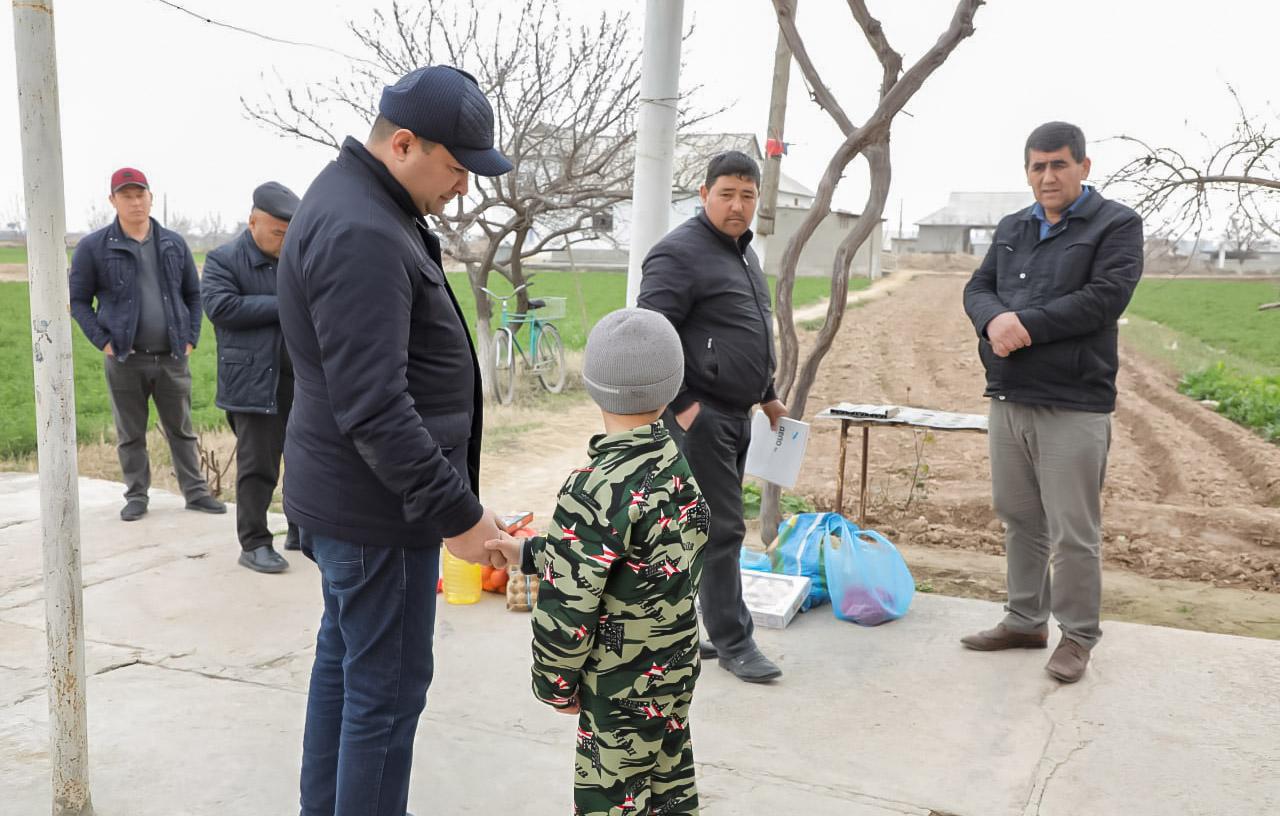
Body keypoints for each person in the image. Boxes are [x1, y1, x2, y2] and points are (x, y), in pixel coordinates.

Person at [277, 65, 513, 815]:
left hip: (352, 498)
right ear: (405, 144)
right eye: (456, 169)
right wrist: (461, 517)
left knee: (347, 671)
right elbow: (375, 407)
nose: (463, 189)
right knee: (385, 695)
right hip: (377, 511)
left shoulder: (364, 202)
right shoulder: (363, 230)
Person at [487, 308, 709, 816]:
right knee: (669, 790)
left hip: (618, 685)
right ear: (672, 386)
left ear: (591, 385)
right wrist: (527, 552)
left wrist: (555, 684)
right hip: (673, 671)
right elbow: (637, 562)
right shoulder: (674, 465)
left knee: (615, 802)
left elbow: (570, 607)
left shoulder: (594, 486)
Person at [961, 121, 1143, 683]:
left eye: (1059, 164)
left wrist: (1026, 325)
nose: (1048, 176)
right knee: (1019, 517)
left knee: (1073, 530)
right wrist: (993, 319)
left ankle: (1078, 637)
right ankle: (1024, 619)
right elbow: (977, 287)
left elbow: (1104, 299)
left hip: (1073, 402)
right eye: (1038, 166)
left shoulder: (1116, 224)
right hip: (1010, 395)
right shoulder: (1014, 225)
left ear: (1084, 167)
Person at [637, 150, 787, 684]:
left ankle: (680, 631)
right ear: (703, 195)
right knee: (721, 529)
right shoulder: (680, 253)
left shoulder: (743, 253)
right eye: (727, 193)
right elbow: (650, 335)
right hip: (699, 417)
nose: (738, 205)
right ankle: (734, 642)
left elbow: (744, 332)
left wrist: (767, 393)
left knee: (696, 530)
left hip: (739, 414)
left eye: (748, 195)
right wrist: (683, 405)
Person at [68, 167, 226, 521]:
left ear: (150, 197)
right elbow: (78, 300)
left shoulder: (172, 242)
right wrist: (103, 342)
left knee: (182, 430)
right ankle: (137, 495)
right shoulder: (94, 247)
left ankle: (196, 493)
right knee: (130, 433)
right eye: (127, 195)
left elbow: (193, 294)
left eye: (141, 194)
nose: (136, 201)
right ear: (113, 201)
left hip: (172, 356)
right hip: (125, 357)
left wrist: (190, 338)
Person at [202, 181, 302, 574]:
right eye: (278, 232)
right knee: (258, 466)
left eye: (288, 233)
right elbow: (222, 306)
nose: (284, 240)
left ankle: (300, 529)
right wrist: (286, 305)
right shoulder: (223, 260)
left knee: (304, 459)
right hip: (253, 381)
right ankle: (255, 542)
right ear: (253, 222)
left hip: (300, 379)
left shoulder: (296, 257)